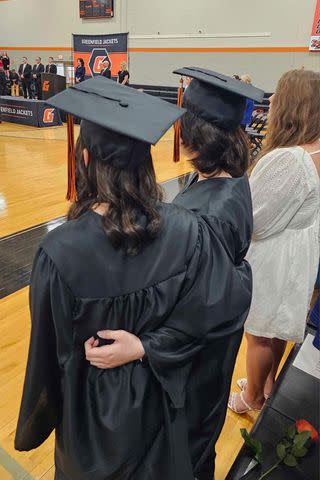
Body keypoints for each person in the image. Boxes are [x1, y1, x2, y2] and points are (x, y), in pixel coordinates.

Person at [15, 75, 252, 480]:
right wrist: (148, 346)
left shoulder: (59, 255)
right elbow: (227, 307)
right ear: (147, 161)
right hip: (163, 411)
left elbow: (48, 361)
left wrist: (38, 421)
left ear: (84, 161)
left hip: (93, 429)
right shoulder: (190, 232)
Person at [83, 68, 265, 479]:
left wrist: (144, 346)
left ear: (193, 134)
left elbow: (214, 309)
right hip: (211, 364)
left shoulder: (205, 219)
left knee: (181, 457)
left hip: (194, 370)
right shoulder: (232, 185)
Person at [228, 69, 320, 414]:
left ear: (294, 105)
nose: (272, 101)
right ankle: (266, 386)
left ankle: (251, 398)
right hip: (300, 252)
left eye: (278, 95)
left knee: (260, 332)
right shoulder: (315, 149)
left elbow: (255, 220)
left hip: (276, 257)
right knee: (277, 328)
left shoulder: (290, 159)